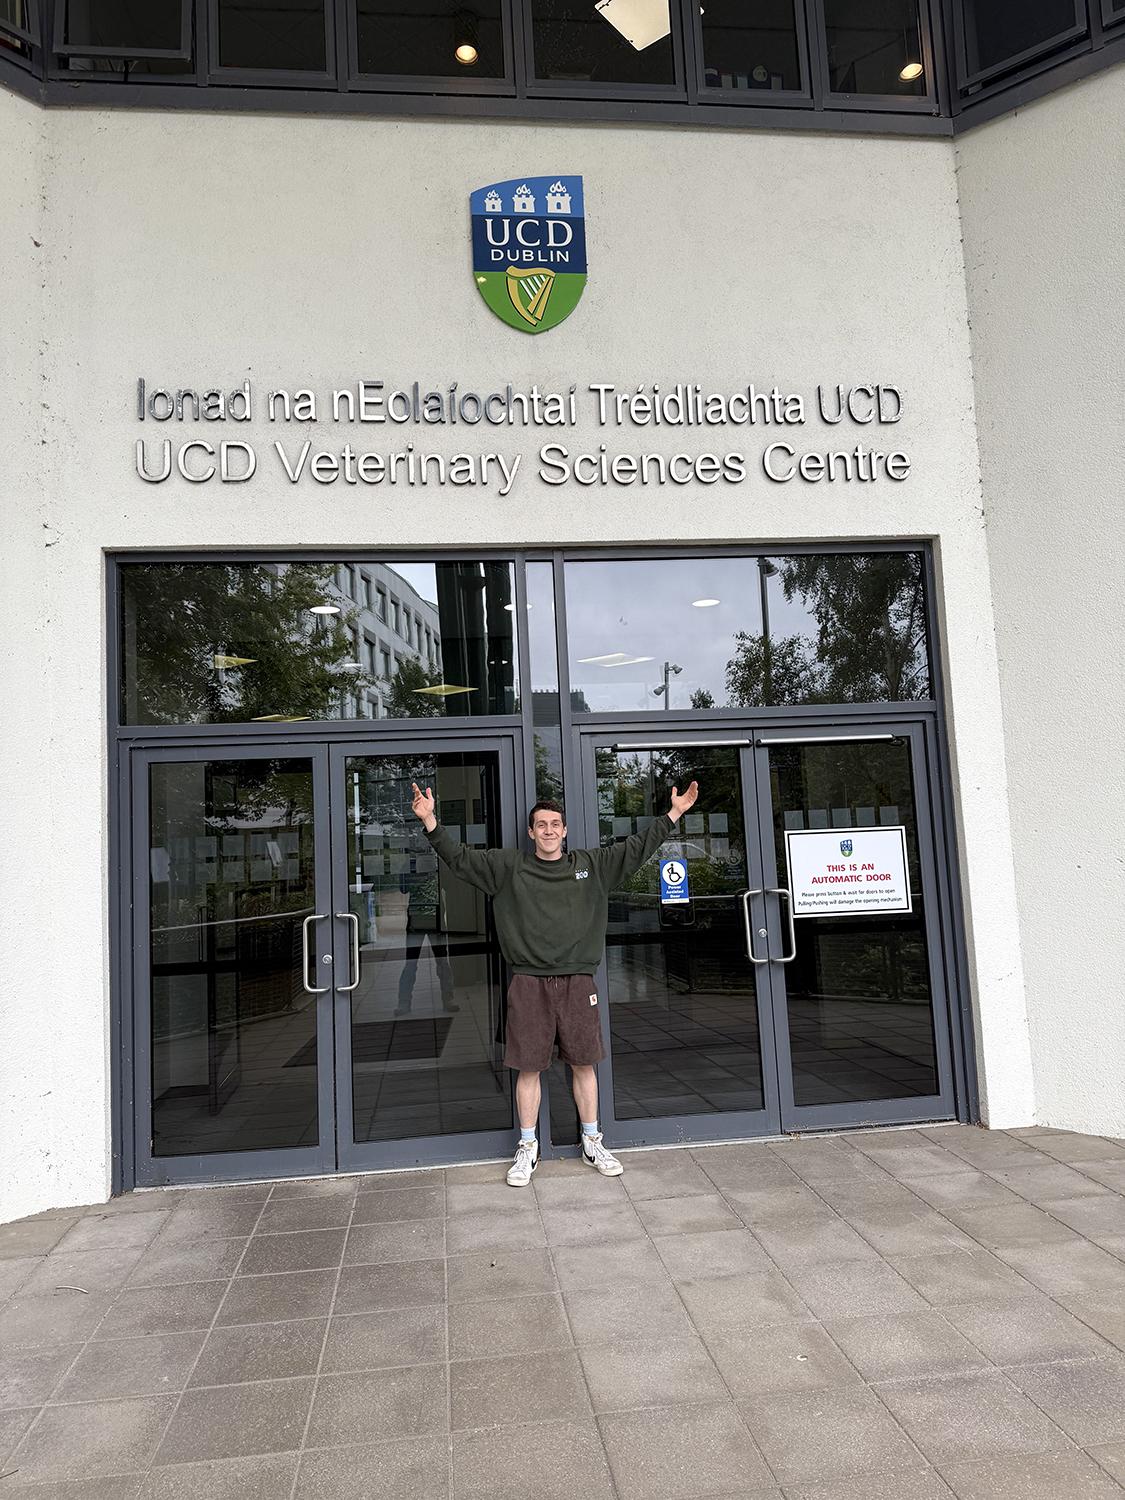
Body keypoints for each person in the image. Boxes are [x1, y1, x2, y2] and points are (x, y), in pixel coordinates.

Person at [410, 780, 699, 1186]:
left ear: (564, 831)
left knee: (584, 1064)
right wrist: (430, 821)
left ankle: (591, 1140)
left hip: (579, 982)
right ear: (531, 832)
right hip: (529, 983)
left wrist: (675, 813)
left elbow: (636, 848)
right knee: (528, 1069)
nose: (548, 830)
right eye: (541, 824)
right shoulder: (508, 868)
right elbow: (459, 859)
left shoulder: (591, 866)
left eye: (555, 824)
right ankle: (528, 1148)